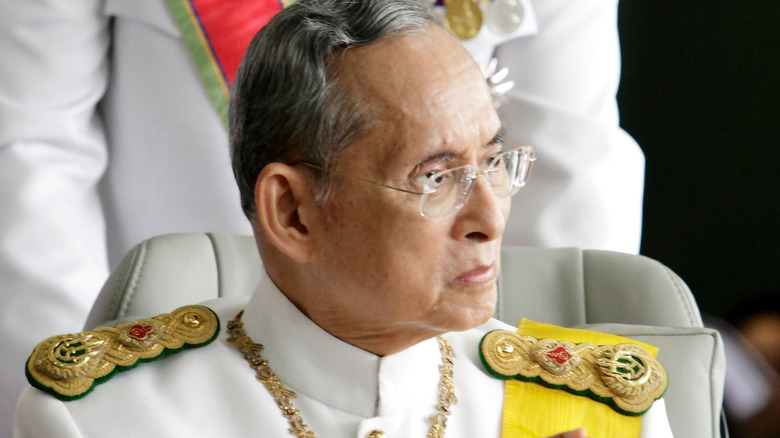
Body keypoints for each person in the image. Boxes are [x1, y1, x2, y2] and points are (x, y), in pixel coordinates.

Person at [14, 1, 669, 436]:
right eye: (437, 178)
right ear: (291, 212)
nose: (490, 220)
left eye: (496, 165)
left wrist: (548, 381)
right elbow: (28, 151)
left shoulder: (595, 410)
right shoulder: (103, 419)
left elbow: (576, 159)